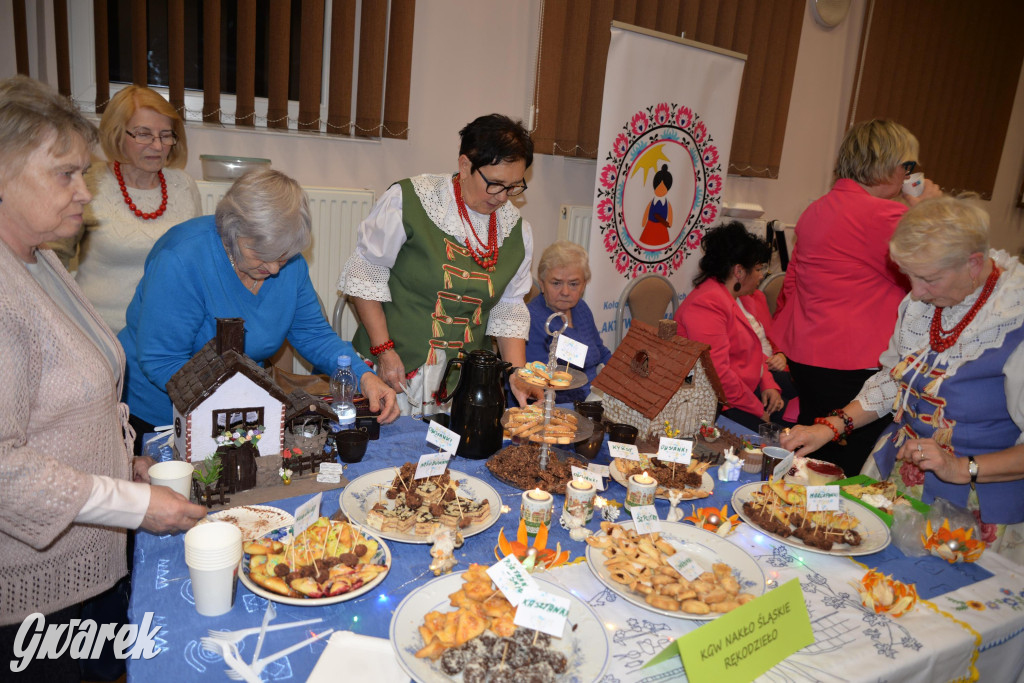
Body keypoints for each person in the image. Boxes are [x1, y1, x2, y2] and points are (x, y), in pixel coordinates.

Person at [0, 75, 207, 681]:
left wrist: (123, 466)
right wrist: (132, 502)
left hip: (86, 565)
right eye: (64, 174)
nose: (83, 193)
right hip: (37, 598)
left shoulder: (38, 260)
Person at [781, 197, 1024, 562]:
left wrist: (961, 468)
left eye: (928, 277)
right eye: (909, 275)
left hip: (977, 504)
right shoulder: (922, 305)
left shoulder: (1012, 315)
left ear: (974, 263)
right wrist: (830, 427)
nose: (917, 291)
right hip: (899, 482)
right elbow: (896, 379)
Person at [120, 169, 399, 439]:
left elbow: (315, 336)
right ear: (231, 230)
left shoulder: (290, 266)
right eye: (261, 254)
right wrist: (235, 403)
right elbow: (162, 361)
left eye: (284, 256)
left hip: (236, 410)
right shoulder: (181, 259)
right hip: (158, 415)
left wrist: (363, 376)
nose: (275, 268)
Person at [338, 113, 542, 416]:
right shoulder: (409, 200)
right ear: (464, 165)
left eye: (513, 186)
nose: (502, 197)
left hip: (463, 383)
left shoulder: (517, 231)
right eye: (495, 184)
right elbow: (365, 275)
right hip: (393, 369)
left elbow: (509, 307)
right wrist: (384, 351)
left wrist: (517, 373)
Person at [773, 119, 941, 474]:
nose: (911, 174)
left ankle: (796, 515)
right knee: (848, 463)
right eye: (909, 166)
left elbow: (792, 284)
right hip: (856, 360)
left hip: (806, 352)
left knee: (812, 451)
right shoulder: (887, 215)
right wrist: (929, 211)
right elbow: (940, 271)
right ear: (889, 165)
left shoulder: (816, 209)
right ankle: (829, 524)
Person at [50, 85, 201, 333]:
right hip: (99, 330)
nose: (157, 146)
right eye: (143, 134)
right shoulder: (88, 183)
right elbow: (54, 262)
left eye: (165, 135)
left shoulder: (184, 186)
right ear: (118, 133)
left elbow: (195, 266)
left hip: (164, 335)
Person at [674, 222, 795, 431]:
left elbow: (756, 351)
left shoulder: (736, 296)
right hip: (716, 403)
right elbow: (718, 377)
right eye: (758, 269)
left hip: (739, 391)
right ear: (738, 271)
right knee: (778, 432)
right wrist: (758, 410)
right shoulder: (707, 304)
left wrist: (768, 384)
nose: (761, 276)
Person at [524, 240, 612, 403]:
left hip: (595, 398)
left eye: (573, 284)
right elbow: (540, 382)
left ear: (584, 285)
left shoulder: (581, 308)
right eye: (556, 283)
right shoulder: (532, 318)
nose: (565, 292)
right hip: (560, 404)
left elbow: (600, 351)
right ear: (542, 284)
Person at [640, 164, 673, 247]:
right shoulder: (652, 202)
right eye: (658, 188)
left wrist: (670, 222)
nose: (660, 190)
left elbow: (670, 214)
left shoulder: (667, 203)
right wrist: (644, 222)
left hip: (661, 229)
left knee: (661, 243)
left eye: (664, 188)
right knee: (647, 242)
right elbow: (647, 211)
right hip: (650, 226)